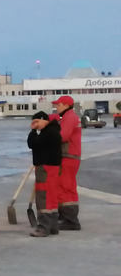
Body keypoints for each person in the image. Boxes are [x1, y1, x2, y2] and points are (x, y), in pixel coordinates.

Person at [50, 94, 83, 230]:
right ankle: (66, 217)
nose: (56, 107)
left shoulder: (69, 118)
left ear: (66, 105)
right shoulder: (68, 116)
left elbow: (62, 136)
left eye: (58, 105)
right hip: (70, 155)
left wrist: (47, 139)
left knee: (65, 187)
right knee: (66, 186)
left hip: (68, 156)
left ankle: (70, 220)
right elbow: (56, 119)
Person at [26, 111, 61, 237]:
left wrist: (33, 131)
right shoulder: (53, 131)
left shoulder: (49, 133)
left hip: (45, 167)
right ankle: (53, 226)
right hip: (52, 167)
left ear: (44, 120)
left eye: (37, 122)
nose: (35, 125)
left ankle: (44, 227)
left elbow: (32, 143)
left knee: (43, 196)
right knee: (51, 196)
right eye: (33, 123)